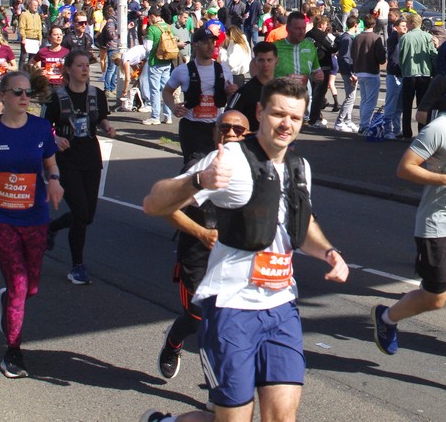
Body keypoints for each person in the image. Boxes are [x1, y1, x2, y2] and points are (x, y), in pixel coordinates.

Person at [140, 78, 349, 422]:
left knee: (282, 417)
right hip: (232, 307)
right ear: (260, 112)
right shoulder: (231, 161)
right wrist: (198, 181)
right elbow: (153, 203)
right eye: (278, 114)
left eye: (295, 118)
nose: (286, 124)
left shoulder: (300, 167)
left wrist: (328, 252)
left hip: (281, 307)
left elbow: (303, 223)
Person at [371, 69, 446, 401]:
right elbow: (405, 168)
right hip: (438, 227)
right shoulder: (439, 129)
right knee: (435, 298)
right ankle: (387, 317)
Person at [0, 69, 65, 378]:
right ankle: (13, 351)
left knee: (30, 287)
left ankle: (7, 301)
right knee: (18, 282)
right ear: (2, 96)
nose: (24, 97)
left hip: (34, 215)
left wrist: (54, 180)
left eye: (27, 92)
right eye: (17, 92)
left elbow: (50, 163)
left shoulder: (41, 128)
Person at [157, 109, 250, 386]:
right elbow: (164, 206)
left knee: (224, 326)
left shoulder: (255, 170)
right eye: (224, 128)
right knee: (198, 319)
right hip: (197, 256)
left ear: (247, 135)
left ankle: (216, 389)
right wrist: (201, 232)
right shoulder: (200, 167)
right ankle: (173, 341)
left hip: (234, 260)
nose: (231, 134)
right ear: (214, 132)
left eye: (238, 130)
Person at [45, 50, 117, 286]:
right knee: (80, 212)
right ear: (68, 69)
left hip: (90, 156)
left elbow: (101, 117)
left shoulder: (97, 94)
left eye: (87, 65)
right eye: (79, 65)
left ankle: (52, 227)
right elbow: (43, 127)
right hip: (66, 159)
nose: (85, 69)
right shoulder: (56, 97)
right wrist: (55, 138)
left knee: (88, 216)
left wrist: (107, 126)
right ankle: (77, 266)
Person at [165, 28, 238, 162]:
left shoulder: (224, 70)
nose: (210, 46)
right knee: (194, 165)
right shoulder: (183, 70)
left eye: (212, 42)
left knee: (214, 165)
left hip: (215, 128)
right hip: (192, 127)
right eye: (205, 43)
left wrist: (232, 92)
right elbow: (167, 91)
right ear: (195, 45)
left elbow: (229, 102)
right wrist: (173, 107)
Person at [398, 12, 437, 140]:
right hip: (425, 74)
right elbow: (433, 55)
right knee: (422, 105)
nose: (406, 26)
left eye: (408, 23)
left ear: (412, 23)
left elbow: (401, 57)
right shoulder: (428, 37)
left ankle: (407, 133)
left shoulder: (405, 38)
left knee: (407, 105)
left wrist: (403, 69)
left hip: (409, 73)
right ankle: (422, 131)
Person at [228, 41, 277, 127]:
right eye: (261, 60)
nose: (265, 64)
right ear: (255, 62)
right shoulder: (243, 92)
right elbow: (229, 116)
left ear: (276, 60)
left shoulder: (281, 90)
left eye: (269, 60)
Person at [143, 6, 178, 126]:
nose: (149, 20)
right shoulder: (168, 27)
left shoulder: (152, 29)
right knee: (166, 89)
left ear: (152, 16)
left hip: (155, 62)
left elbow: (148, 47)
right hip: (167, 61)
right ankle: (168, 116)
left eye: (149, 18)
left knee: (154, 90)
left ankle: (155, 116)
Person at [17, 0, 44, 67]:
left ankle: (30, 71)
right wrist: (23, 38)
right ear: (30, 6)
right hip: (27, 38)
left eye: (37, 5)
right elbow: (21, 27)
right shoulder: (24, 15)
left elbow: (39, 28)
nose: (36, 7)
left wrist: (40, 39)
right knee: (23, 57)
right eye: (34, 5)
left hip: (35, 38)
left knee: (32, 58)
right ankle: (21, 71)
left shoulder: (38, 16)